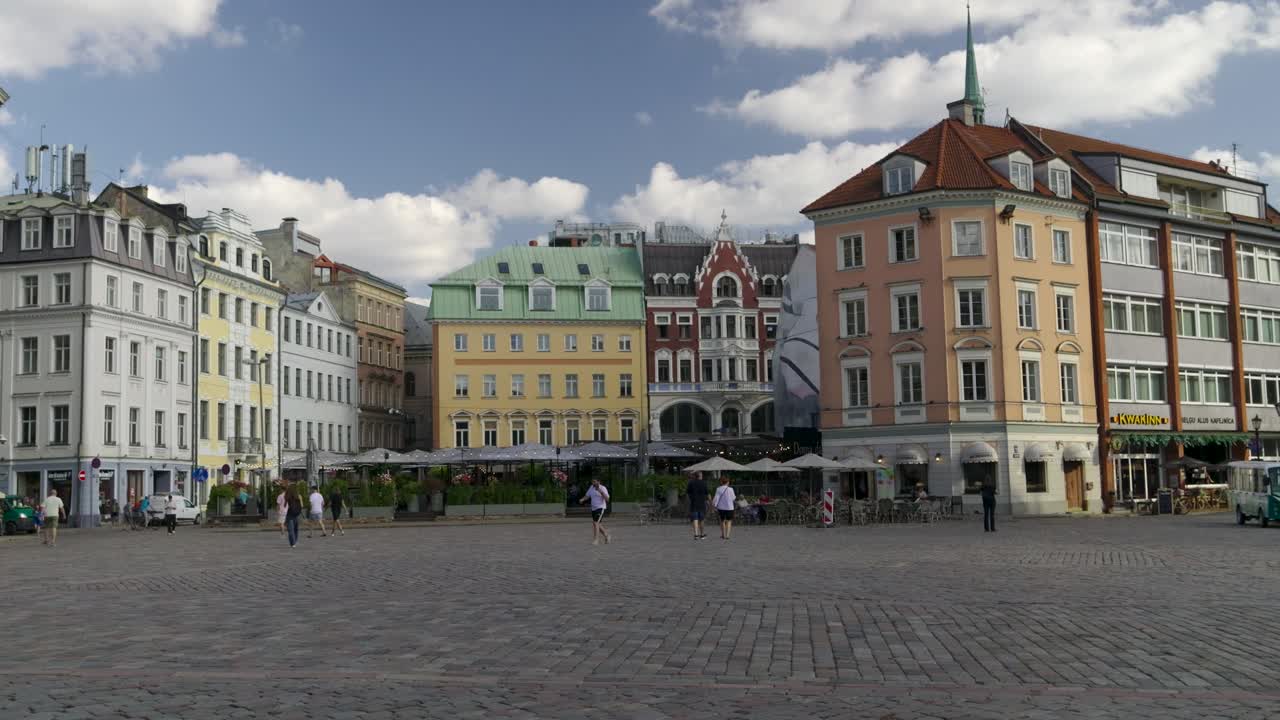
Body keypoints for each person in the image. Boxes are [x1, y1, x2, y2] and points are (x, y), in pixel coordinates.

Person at [578, 477, 611, 545]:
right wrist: (582, 499)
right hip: (593, 508)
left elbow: (607, 499)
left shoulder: (603, 488)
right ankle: (607, 535)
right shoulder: (591, 487)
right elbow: (587, 495)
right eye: (592, 482)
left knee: (595, 523)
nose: (593, 483)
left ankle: (596, 540)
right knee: (597, 523)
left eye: (594, 482)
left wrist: (601, 492)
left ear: (599, 482)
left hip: (600, 507)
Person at [686, 472, 709, 540]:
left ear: (695, 476)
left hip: (693, 503)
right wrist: (709, 502)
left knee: (695, 519)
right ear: (700, 476)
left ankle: (696, 534)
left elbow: (687, 493)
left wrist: (689, 500)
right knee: (701, 519)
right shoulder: (704, 483)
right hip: (702, 504)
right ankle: (702, 534)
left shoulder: (691, 483)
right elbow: (707, 493)